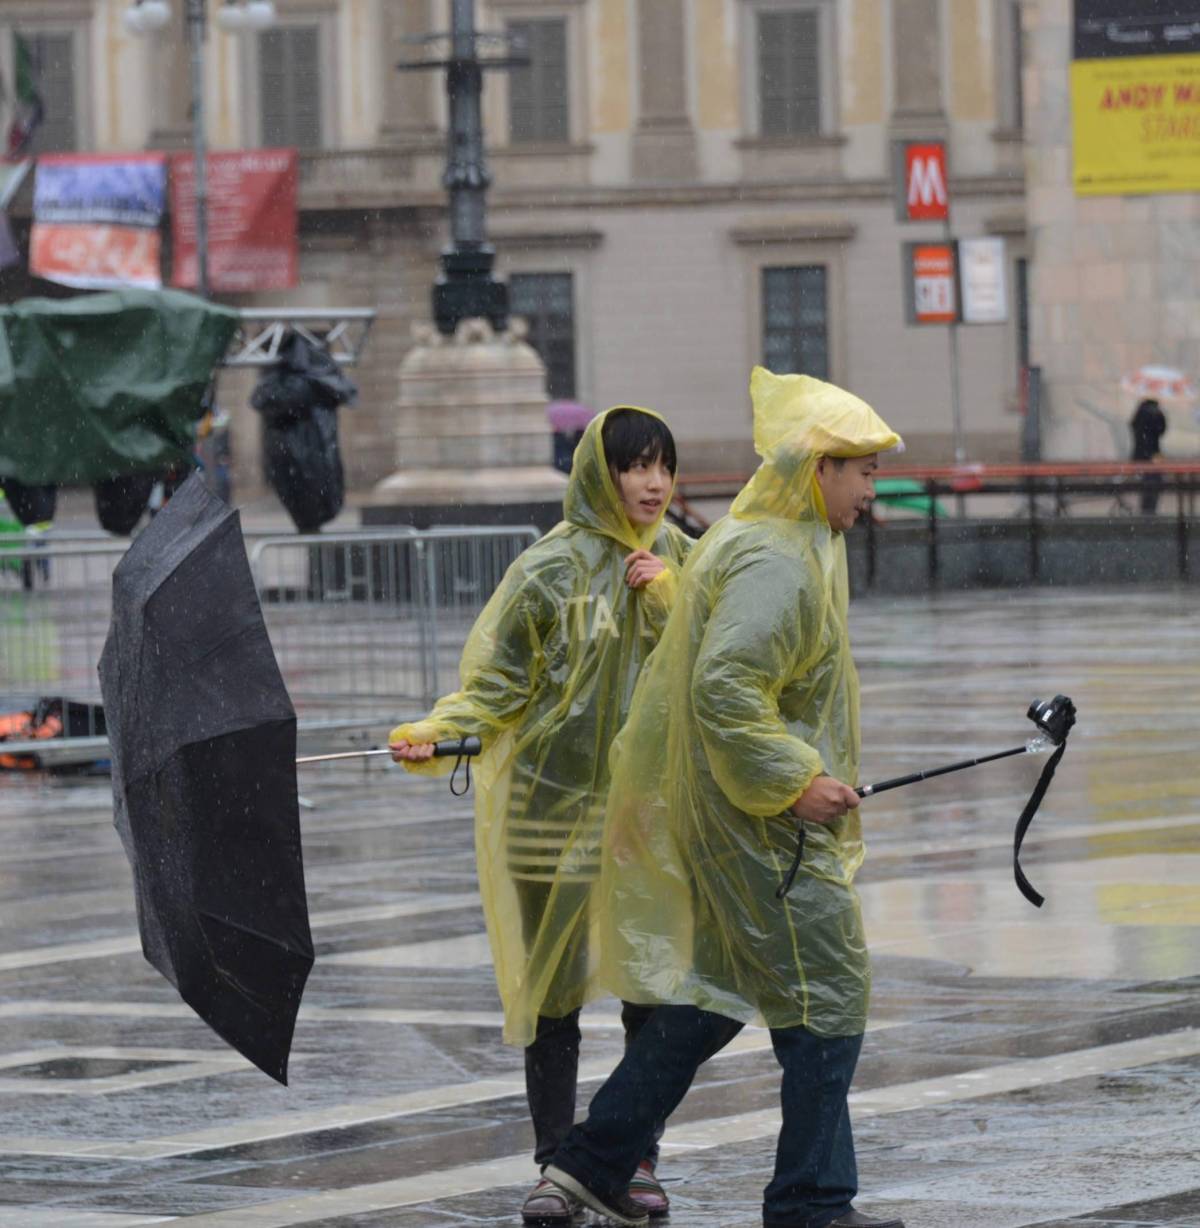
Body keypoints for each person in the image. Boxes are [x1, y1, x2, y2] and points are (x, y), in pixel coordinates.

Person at [541, 368, 906, 1228]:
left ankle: (590, 1162)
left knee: (714, 992)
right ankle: (811, 1203)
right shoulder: (778, 558)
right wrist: (793, 780)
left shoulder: (777, 537)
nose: (871, 488)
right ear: (818, 469)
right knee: (830, 994)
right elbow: (726, 687)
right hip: (760, 823)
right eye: (861, 470)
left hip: (733, 813)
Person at [389, 407, 692, 1225]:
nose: (652, 483)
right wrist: (438, 734)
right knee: (552, 1000)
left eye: (663, 465)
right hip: (547, 815)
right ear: (601, 472)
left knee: (652, 996)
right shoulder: (545, 572)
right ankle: (558, 1164)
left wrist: (672, 599)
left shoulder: (690, 565)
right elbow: (498, 687)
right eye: (634, 466)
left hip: (647, 819)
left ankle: (631, 1157)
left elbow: (722, 670)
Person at [1129, 397, 1167, 514]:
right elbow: (1160, 430)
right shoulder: (1154, 414)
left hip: (1141, 455)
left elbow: (1135, 428)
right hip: (1153, 455)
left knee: (1147, 483)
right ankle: (1149, 510)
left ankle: (1146, 509)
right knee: (1153, 482)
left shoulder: (1139, 414)